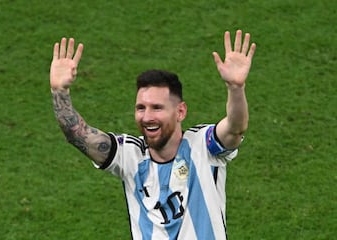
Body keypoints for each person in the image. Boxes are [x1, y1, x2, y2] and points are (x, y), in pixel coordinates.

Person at [50, 30, 256, 240]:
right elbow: (77, 135)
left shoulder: (204, 146)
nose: (147, 117)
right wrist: (59, 91)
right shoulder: (129, 155)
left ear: (180, 112)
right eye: (141, 108)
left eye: (157, 108)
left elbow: (234, 128)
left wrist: (236, 88)